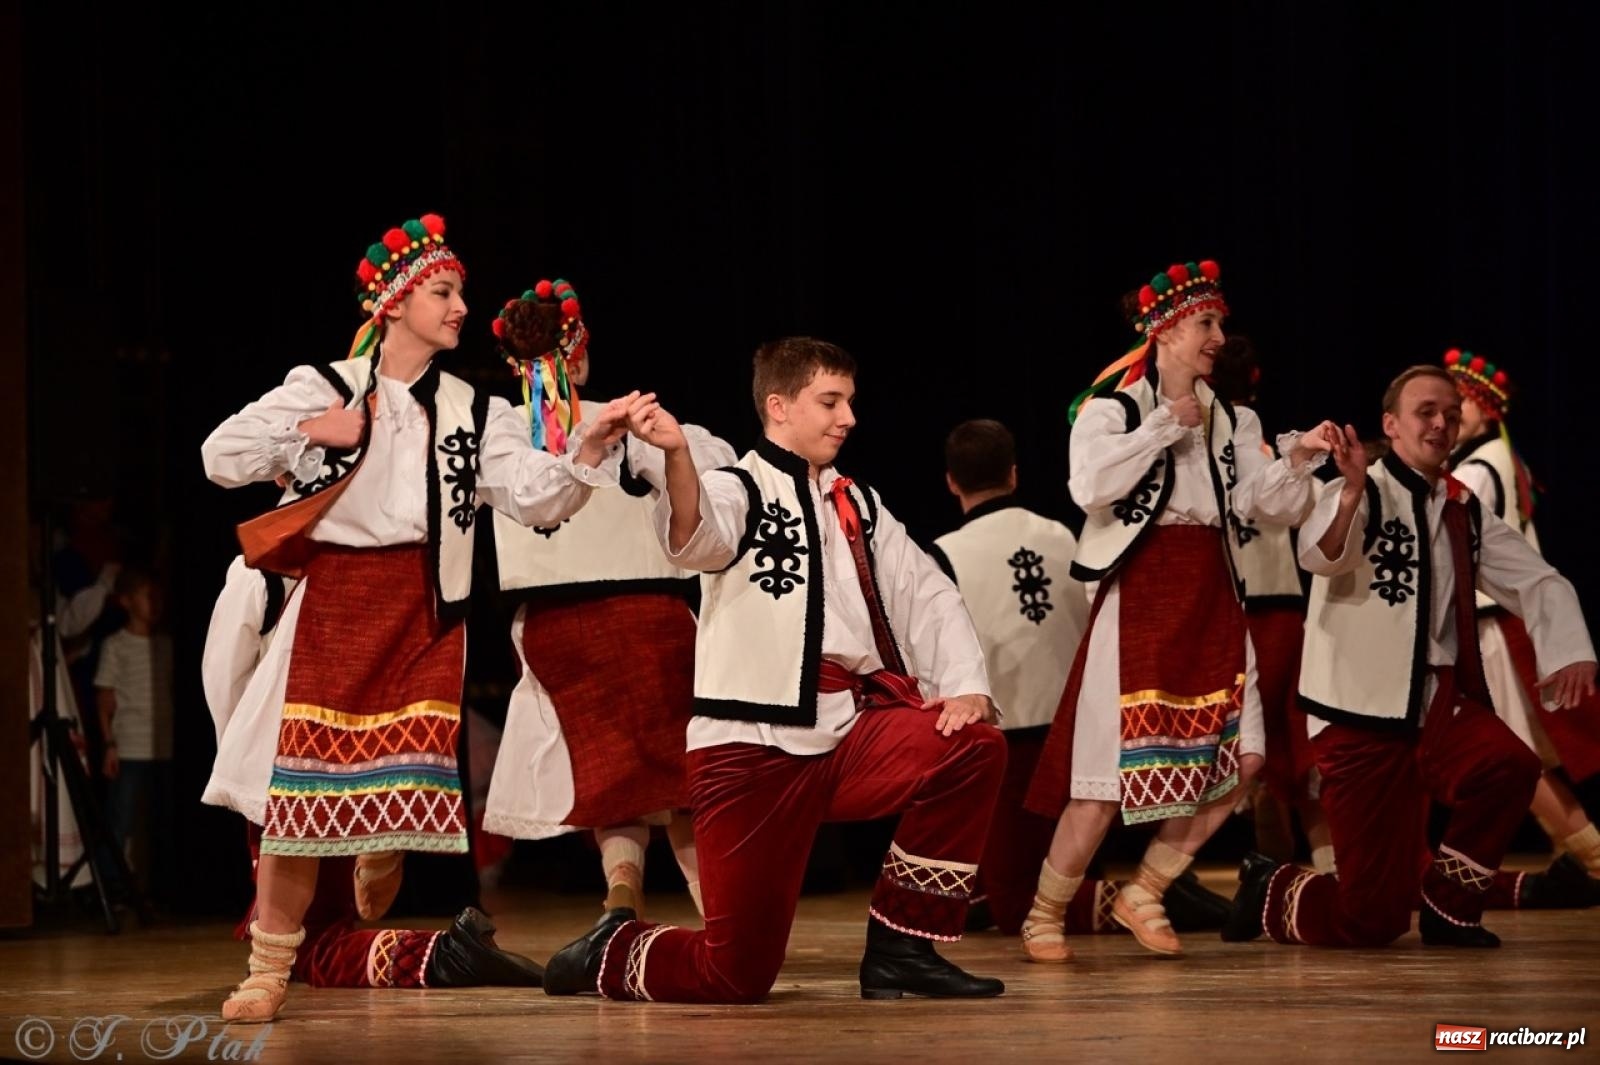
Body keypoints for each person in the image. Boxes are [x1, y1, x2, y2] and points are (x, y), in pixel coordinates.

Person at [199, 212, 640, 1022]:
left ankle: (382, 840)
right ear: (394, 302)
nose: (461, 306)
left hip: (424, 606)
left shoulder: (473, 409)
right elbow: (219, 455)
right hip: (336, 604)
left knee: (403, 770)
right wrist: (308, 430)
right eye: (443, 291)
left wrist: (586, 449)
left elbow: (534, 497)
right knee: (298, 799)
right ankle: (266, 968)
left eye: (460, 292)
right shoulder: (327, 384)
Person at [542, 336, 1007, 1003]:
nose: (848, 417)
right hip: (750, 749)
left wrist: (964, 685)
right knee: (735, 974)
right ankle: (610, 950)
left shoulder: (858, 502)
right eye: (831, 401)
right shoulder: (739, 487)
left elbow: (928, 591)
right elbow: (697, 537)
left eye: (850, 401)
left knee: (971, 746)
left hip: (848, 732)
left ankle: (901, 948)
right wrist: (677, 455)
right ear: (779, 406)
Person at [1223, 365, 1597, 949]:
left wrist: (1570, 652)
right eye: (1427, 412)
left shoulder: (1461, 506)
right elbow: (1322, 556)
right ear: (1391, 424)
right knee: (1369, 920)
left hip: (1433, 703)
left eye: (1451, 414)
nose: (1442, 423)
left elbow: (1537, 578)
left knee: (1510, 766)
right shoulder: (1360, 487)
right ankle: (1271, 886)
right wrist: (1350, 491)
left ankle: (1450, 909)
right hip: (1357, 714)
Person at [1022, 260, 1332, 961]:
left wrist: (1300, 459)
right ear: (1163, 331)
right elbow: (1088, 487)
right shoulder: (1113, 409)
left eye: (1219, 323)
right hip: (1141, 589)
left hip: (1214, 591)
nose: (1219, 337)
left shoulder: (1234, 418)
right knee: (1105, 777)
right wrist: (1162, 425)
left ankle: (1146, 889)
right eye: (1206, 323)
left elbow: (1261, 504)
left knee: (1244, 759)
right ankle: (1044, 913)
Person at [483, 280, 735, 916]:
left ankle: (622, 883)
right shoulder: (622, 420)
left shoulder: (498, 430)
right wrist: (657, 442)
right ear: (577, 356)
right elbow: (716, 474)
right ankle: (718, 910)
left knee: (614, 769)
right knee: (677, 775)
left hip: (556, 622)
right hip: (649, 615)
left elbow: (518, 496)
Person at [202, 555, 545, 997]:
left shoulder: (259, 571)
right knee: (311, 921)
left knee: (306, 940)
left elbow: (223, 678)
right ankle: (392, 874)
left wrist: (240, 770)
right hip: (352, 763)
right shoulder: (370, 566)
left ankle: (444, 955)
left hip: (285, 770)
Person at [1442, 349, 1600, 907]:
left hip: (1494, 626)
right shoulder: (1500, 461)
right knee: (1523, 754)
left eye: (1459, 405)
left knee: (1514, 757)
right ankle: (1578, 861)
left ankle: (1593, 860)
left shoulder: (1475, 472)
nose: (1449, 417)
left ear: (1485, 410)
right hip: (1506, 622)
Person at [1208, 337, 1332, 873]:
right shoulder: (1271, 457)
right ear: (1255, 380)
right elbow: (1317, 517)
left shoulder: (1202, 450)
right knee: (1291, 737)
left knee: (1248, 742)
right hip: (1280, 609)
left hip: (1232, 607)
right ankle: (1327, 866)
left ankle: (1269, 870)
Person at [93, 565, 174, 895]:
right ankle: (112, 886)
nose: (154, 603)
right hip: (130, 745)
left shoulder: (165, 645)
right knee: (121, 819)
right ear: (126, 601)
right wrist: (109, 744)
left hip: (163, 745)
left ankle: (155, 885)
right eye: (145, 596)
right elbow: (105, 699)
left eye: (157, 596)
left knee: (157, 820)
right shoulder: (117, 645)